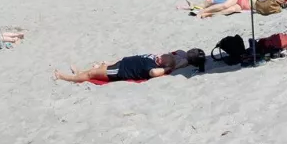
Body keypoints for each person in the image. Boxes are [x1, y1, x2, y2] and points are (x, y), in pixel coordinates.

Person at [53, 49, 202, 83]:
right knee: (95, 69)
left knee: (92, 74)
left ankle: (66, 77)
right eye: (159, 56)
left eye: (159, 59)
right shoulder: (161, 58)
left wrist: (166, 69)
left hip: (120, 70)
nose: (157, 57)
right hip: (120, 63)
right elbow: (180, 57)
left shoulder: (154, 67)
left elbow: (154, 73)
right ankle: (79, 73)